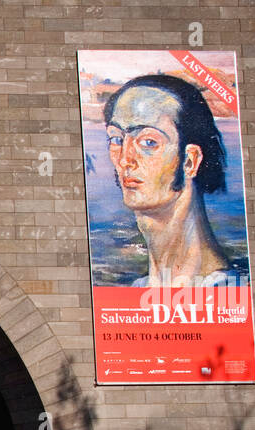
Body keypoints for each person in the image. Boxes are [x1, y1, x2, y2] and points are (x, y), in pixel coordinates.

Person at [101, 74, 245, 289]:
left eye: (149, 142)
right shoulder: (137, 289)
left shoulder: (225, 291)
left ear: (189, 161)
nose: (124, 159)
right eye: (117, 139)